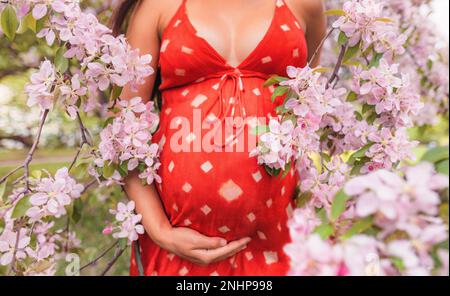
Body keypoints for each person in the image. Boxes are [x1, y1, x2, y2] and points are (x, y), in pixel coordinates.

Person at [113, 0, 326, 276]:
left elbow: (307, 109)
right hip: (180, 245)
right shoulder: (158, 6)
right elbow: (123, 132)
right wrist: (161, 231)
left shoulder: (304, 4)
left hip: (278, 240)